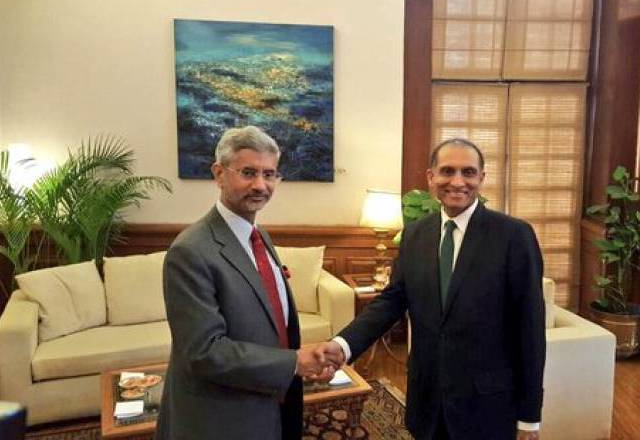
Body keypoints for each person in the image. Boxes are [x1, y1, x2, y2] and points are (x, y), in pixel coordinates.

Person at [317, 138, 546, 440]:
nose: (457, 181)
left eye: (468, 172)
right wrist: (343, 345)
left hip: (487, 405)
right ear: (430, 177)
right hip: (427, 400)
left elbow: (530, 329)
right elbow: (392, 301)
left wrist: (529, 418)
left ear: (481, 178)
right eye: (447, 171)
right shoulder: (415, 234)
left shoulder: (514, 236)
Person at [156, 126, 333, 440]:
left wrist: (300, 365)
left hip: (267, 403)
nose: (260, 185)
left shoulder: (258, 235)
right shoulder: (190, 251)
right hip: (221, 418)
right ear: (219, 174)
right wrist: (293, 362)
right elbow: (204, 352)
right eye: (248, 172)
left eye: (270, 174)